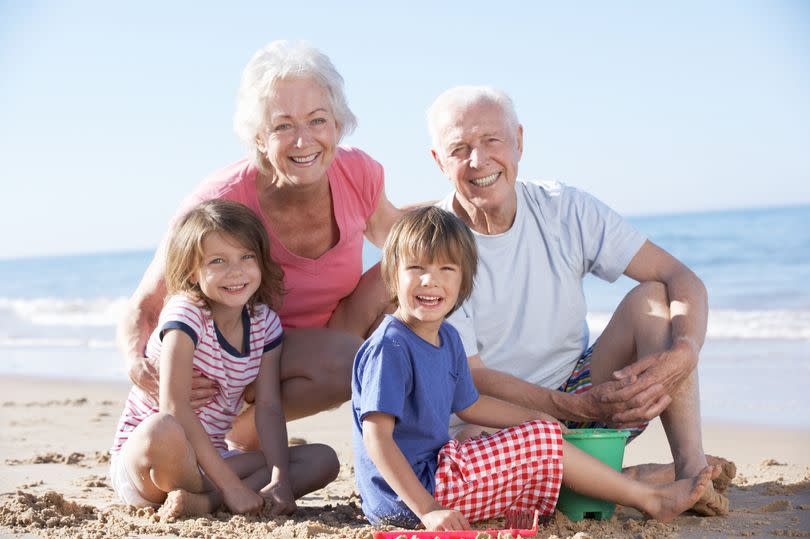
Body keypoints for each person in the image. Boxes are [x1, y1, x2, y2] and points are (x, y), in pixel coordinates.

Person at [427, 85, 731, 516]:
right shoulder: (435, 247)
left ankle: (689, 469)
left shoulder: (563, 208)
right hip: (492, 420)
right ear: (439, 161)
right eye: (460, 148)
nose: (479, 161)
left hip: (578, 390)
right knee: (469, 451)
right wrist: (569, 408)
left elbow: (680, 276)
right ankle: (628, 479)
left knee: (653, 298)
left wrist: (685, 351)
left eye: (492, 140)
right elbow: (471, 379)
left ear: (518, 141)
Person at [351, 207, 719, 531]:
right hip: (409, 499)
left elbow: (471, 405)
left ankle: (631, 481)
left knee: (538, 435)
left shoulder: (445, 337)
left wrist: (536, 417)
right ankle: (649, 499)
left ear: (463, 281)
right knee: (540, 446)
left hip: (437, 473)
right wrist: (429, 509)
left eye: (446, 269)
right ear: (392, 275)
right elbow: (377, 439)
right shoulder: (391, 347)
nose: (430, 281)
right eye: (416, 268)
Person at [117, 41, 403, 450]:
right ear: (257, 137)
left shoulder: (358, 172)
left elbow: (405, 236)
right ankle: (242, 429)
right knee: (349, 359)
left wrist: (458, 218)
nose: (303, 141)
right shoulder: (219, 201)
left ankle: (416, 437)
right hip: (237, 362)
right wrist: (136, 363)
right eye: (283, 126)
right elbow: (146, 303)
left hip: (318, 342)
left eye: (317, 120)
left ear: (338, 125)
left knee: (406, 270)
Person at [110, 200, 339, 519]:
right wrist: (232, 486)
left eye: (246, 257)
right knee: (162, 428)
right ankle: (219, 494)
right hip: (151, 462)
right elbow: (174, 409)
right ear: (192, 270)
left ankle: (204, 502)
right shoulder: (186, 314)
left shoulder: (264, 323)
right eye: (218, 261)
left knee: (322, 459)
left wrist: (280, 479)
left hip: (213, 459)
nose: (236, 272)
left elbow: (270, 407)